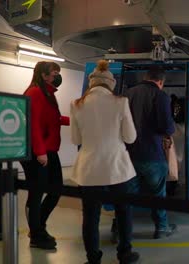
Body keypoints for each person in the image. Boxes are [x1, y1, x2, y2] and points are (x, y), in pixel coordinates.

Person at [70, 60, 139, 264]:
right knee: (124, 211)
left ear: (92, 83)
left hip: (88, 168)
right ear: (111, 83)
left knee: (90, 216)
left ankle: (93, 259)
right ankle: (125, 254)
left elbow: (76, 140)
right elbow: (130, 137)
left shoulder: (76, 104)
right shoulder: (120, 102)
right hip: (116, 166)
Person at [124, 67, 177, 239]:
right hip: (153, 154)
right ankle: (161, 228)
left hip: (129, 154)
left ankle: (121, 229)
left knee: (127, 195)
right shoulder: (161, 96)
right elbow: (167, 127)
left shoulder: (128, 94)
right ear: (160, 82)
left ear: (145, 78)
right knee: (158, 193)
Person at [21, 61, 68, 250]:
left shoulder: (48, 93)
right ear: (43, 75)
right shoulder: (34, 93)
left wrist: (78, 121)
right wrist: (40, 152)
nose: (57, 75)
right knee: (37, 193)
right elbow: (33, 124)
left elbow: (54, 119)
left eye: (57, 72)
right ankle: (37, 235)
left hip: (50, 150)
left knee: (56, 189)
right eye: (54, 72)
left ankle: (37, 227)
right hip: (38, 152)